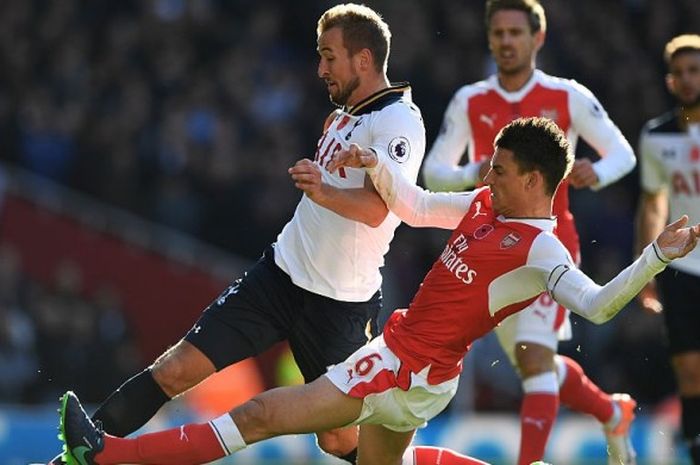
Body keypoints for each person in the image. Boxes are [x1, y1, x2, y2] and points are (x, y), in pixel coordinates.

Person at [57, 117, 700, 465]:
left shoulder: (541, 247)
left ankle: (110, 459)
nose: (489, 175)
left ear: (536, 181)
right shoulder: (482, 203)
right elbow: (417, 206)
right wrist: (379, 171)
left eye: (501, 170)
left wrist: (653, 257)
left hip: (402, 366)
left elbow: (596, 304)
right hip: (416, 368)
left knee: (259, 416)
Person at [47, 4, 426, 465]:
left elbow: (377, 211)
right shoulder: (346, 114)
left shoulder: (399, 123)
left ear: (363, 60)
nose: (320, 68)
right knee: (176, 369)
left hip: (338, 304)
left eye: (329, 56)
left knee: (338, 441)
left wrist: (324, 190)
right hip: (279, 276)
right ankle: (81, 457)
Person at [421, 1, 637, 463]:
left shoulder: (568, 96)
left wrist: (595, 172)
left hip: (547, 245)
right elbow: (434, 171)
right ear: (489, 38)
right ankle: (609, 410)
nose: (506, 41)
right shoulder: (470, 100)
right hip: (487, 249)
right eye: (498, 33)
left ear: (537, 38)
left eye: (516, 33)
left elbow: (622, 153)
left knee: (535, 360)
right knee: (532, 361)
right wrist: (476, 169)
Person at [635, 34, 700, 465]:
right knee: (690, 370)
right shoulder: (657, 135)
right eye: (679, 72)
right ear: (669, 81)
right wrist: (646, 270)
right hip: (683, 265)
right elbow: (653, 203)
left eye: (695, 70)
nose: (688, 79)